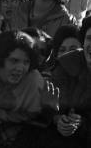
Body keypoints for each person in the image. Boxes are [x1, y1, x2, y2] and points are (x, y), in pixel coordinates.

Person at [35, 16, 91, 147]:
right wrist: (58, 119)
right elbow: (45, 104)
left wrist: (82, 123)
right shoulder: (67, 64)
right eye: (89, 38)